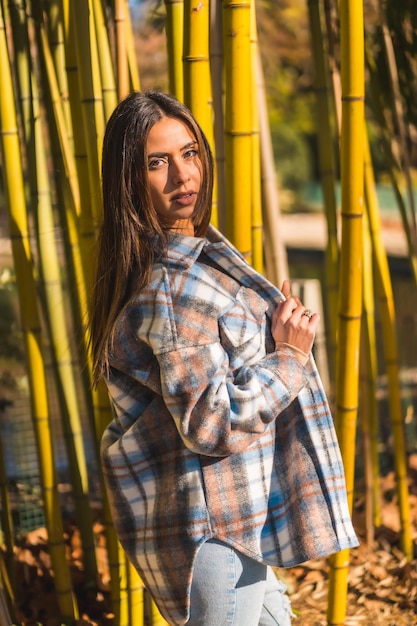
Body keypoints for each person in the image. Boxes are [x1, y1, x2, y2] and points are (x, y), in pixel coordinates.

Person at [89, 90, 358, 626]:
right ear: (129, 179)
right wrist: (290, 358)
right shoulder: (170, 291)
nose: (183, 176)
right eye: (157, 162)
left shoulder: (194, 261)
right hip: (214, 528)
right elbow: (209, 423)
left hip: (232, 519)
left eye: (190, 153)